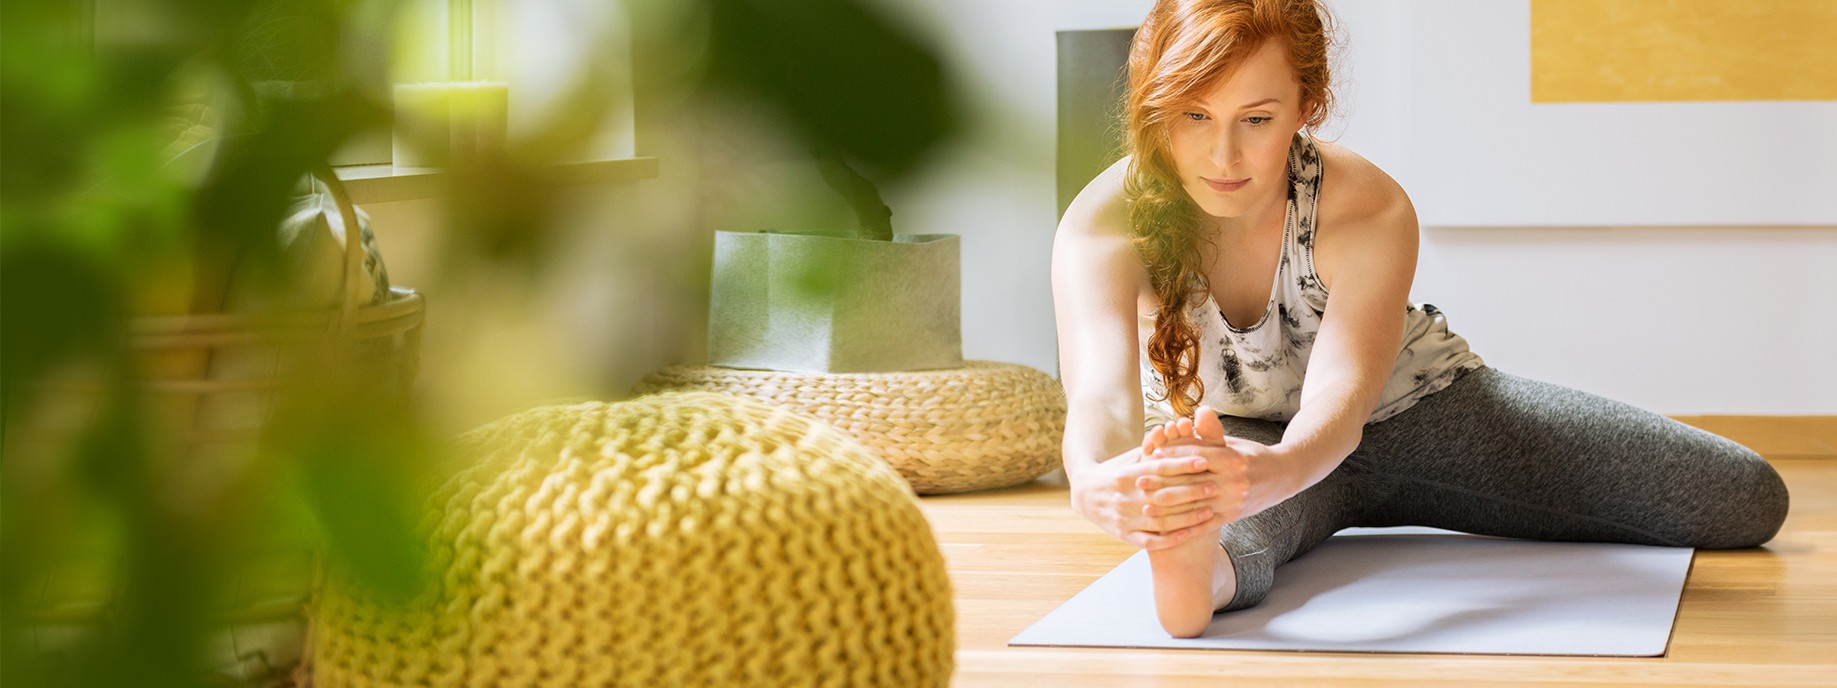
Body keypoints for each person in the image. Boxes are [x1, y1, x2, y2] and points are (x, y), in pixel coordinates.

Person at [1050, 0, 1790, 639]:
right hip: (1238, 441)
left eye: (1256, 118)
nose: (1222, 153)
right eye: (1194, 115)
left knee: (1744, 499)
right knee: (1212, 538)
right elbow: (1102, 396)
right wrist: (1093, 481)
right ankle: (1194, 572)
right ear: (1155, 105)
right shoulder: (1104, 221)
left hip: (1417, 416)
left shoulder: (1366, 206)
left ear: (1306, 106)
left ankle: (1240, 516)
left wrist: (1281, 469)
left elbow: (1341, 404)